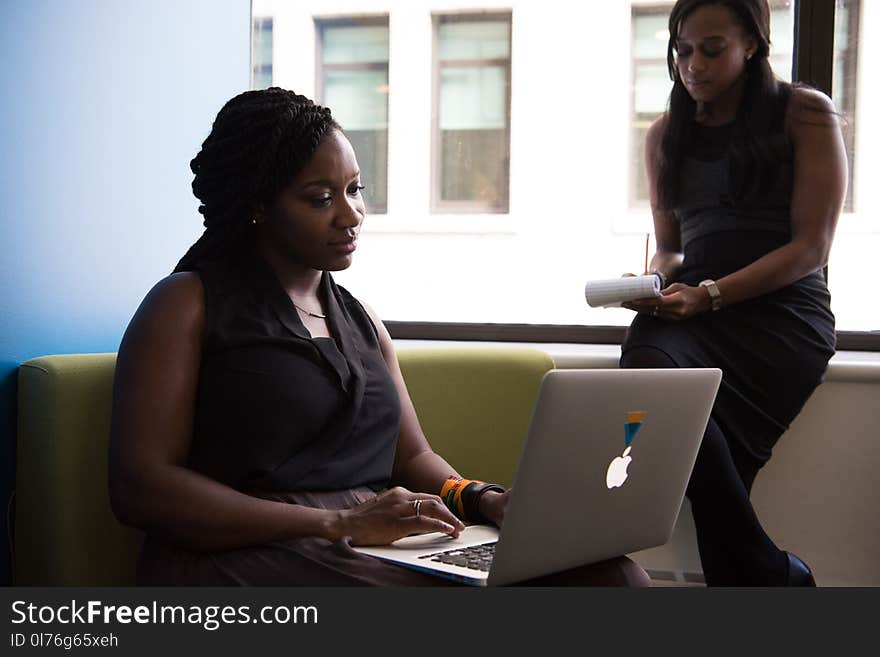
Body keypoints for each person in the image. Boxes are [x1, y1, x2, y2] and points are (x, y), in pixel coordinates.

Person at [108, 88, 649, 586]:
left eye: (354, 189)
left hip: (371, 540)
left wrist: (482, 499)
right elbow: (141, 486)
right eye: (321, 199)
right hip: (244, 549)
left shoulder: (360, 320)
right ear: (257, 206)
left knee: (611, 578)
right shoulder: (187, 303)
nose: (352, 215)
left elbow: (412, 458)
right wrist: (337, 521)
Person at [620, 0, 846, 586]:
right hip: (698, 310)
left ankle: (751, 576)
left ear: (752, 43)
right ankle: (765, 572)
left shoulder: (804, 114)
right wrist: (652, 281)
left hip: (781, 316)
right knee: (644, 356)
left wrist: (712, 295)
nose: (693, 65)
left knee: (707, 476)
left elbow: (811, 248)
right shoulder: (666, 134)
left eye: (712, 49)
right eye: (682, 50)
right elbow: (671, 247)